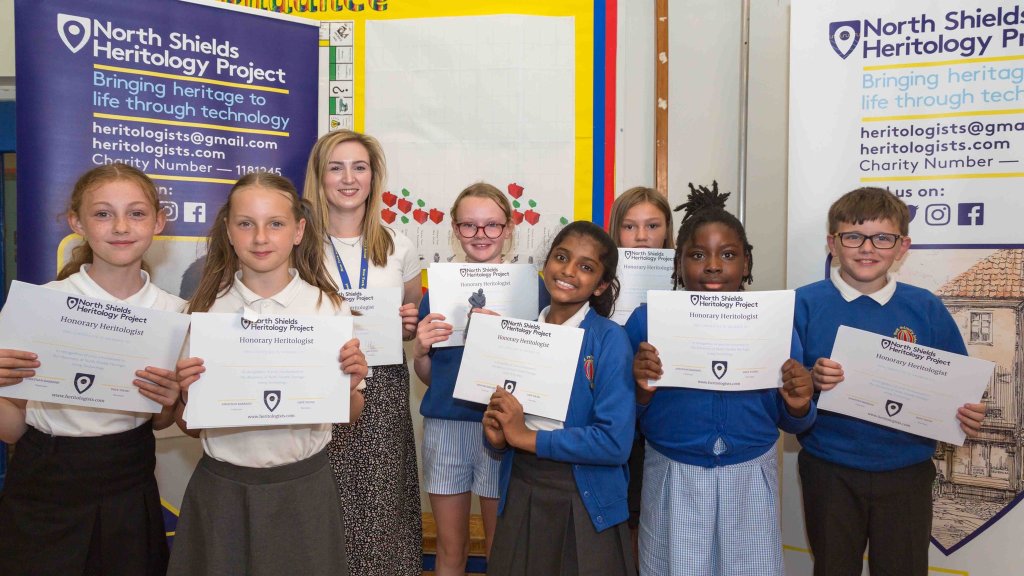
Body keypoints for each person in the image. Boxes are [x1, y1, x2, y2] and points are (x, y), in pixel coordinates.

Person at [168, 173, 368, 576]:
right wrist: (188, 398)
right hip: (221, 488)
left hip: (303, 488)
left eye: (275, 223)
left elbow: (351, 412)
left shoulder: (328, 309)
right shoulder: (202, 311)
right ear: (228, 231)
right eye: (246, 223)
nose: (261, 237)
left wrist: (347, 386)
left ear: (298, 231)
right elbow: (188, 426)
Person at [793, 187, 987, 576]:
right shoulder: (804, 303)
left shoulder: (925, 307)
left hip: (907, 472)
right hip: (830, 469)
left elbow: (957, 387)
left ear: (902, 247)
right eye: (853, 236)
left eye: (883, 238)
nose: (868, 248)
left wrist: (967, 412)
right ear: (833, 243)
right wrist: (811, 381)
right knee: (832, 568)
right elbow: (784, 398)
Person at [0, 163, 182, 575]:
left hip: (128, 479)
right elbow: (10, 430)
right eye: (102, 213)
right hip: (43, 486)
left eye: (136, 213)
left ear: (159, 221)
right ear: (76, 223)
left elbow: (160, 422)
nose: (120, 226)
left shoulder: (174, 314)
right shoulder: (38, 305)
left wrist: (170, 402)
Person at [627, 182, 815, 575]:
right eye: (698, 255)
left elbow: (793, 418)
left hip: (750, 473)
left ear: (746, 263)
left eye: (728, 255)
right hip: (673, 474)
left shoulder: (775, 324)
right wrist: (640, 392)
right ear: (678, 263)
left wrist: (798, 404)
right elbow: (627, 416)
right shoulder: (646, 321)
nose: (713, 265)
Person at [483, 220, 637, 575]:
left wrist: (524, 436)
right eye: (561, 257)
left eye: (586, 267)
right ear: (545, 263)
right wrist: (499, 437)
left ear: (601, 285)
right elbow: (506, 420)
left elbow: (614, 443)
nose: (568, 271)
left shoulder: (609, 340)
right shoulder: (519, 332)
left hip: (583, 497)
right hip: (522, 487)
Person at [303, 129, 423, 576]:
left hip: (385, 391)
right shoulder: (298, 245)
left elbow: (406, 319)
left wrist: (408, 326)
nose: (348, 178)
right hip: (319, 388)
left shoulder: (399, 245)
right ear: (319, 176)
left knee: (383, 507)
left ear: (374, 178)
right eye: (335, 167)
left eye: (359, 167)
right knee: (324, 506)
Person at [413, 182, 549, 575]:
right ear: (455, 230)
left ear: (509, 228)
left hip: (504, 428)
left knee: (500, 548)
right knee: (450, 549)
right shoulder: (436, 290)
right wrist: (420, 351)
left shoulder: (533, 289)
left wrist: (503, 335)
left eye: (491, 225)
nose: (481, 235)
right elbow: (429, 378)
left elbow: (541, 368)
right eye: (469, 226)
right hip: (446, 424)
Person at [606, 185, 674, 556]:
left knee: (652, 523)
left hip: (660, 417)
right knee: (621, 520)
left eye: (652, 226)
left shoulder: (689, 281)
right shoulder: (597, 281)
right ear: (616, 231)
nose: (642, 237)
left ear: (668, 230)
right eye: (630, 227)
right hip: (613, 414)